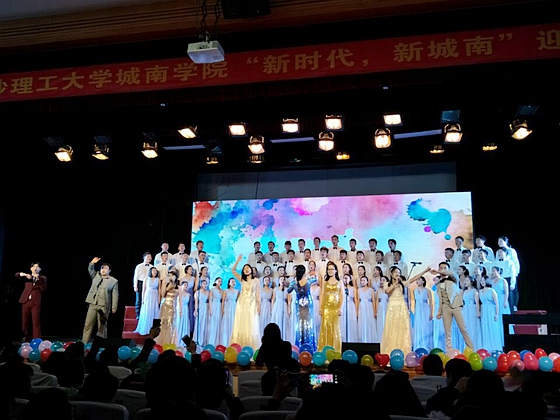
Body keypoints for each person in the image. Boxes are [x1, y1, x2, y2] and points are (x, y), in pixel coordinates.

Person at [380, 265, 430, 355]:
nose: (397, 274)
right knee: (392, 328)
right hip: (392, 307)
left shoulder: (402, 284)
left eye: (399, 273)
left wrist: (425, 270)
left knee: (402, 329)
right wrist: (395, 284)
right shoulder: (387, 283)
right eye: (396, 272)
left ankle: (403, 350)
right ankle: (390, 350)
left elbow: (414, 278)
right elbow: (387, 291)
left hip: (402, 307)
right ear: (391, 274)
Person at [432, 265, 474, 352]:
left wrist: (438, 271)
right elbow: (440, 298)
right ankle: (449, 350)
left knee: (463, 328)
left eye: (444, 268)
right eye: (441, 268)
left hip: (456, 306)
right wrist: (439, 311)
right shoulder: (439, 284)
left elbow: (451, 273)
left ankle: (471, 348)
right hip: (445, 307)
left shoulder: (453, 278)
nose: (442, 270)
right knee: (447, 332)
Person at [82, 257, 119, 344]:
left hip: (104, 306)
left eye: (105, 268)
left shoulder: (113, 281)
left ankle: (99, 345)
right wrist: (92, 263)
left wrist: (114, 307)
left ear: (109, 271)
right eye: (102, 268)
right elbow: (90, 269)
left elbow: (115, 294)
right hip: (93, 304)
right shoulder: (96, 276)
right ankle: (84, 344)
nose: (103, 270)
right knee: (88, 325)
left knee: (102, 327)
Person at [230, 254, 261, 350]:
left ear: (251, 269)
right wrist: (237, 261)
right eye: (244, 269)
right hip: (242, 303)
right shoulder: (242, 279)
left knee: (250, 323)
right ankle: (239, 345)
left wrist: (259, 305)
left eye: (247, 268)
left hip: (252, 303)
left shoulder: (256, 280)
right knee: (241, 322)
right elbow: (233, 271)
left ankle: (250, 346)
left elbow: (258, 294)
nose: (246, 269)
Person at [288, 264, 318, 352]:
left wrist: (293, 281)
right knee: (309, 325)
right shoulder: (308, 280)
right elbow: (316, 279)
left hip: (299, 305)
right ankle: (309, 345)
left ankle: (300, 345)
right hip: (308, 304)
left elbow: (288, 290)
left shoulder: (294, 283)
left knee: (300, 325)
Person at [15, 262, 47, 341]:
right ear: (31, 268)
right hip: (26, 301)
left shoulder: (42, 278)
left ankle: (36, 338)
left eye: (37, 267)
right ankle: (24, 336)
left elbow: (43, 289)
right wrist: (25, 275)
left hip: (35, 302)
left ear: (40, 269)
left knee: (36, 320)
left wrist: (38, 279)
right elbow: (17, 275)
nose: (35, 268)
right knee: (25, 320)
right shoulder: (27, 277)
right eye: (34, 267)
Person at [318, 261, 343, 353]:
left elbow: (342, 295)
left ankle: (335, 350)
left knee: (335, 328)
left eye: (332, 269)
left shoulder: (340, 282)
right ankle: (325, 349)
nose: (330, 271)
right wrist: (320, 308)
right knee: (325, 327)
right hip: (326, 308)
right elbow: (322, 294)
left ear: (336, 270)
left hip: (335, 308)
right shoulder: (325, 282)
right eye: (328, 269)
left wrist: (340, 308)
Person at [156, 268, 180, 346]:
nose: (171, 276)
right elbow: (163, 294)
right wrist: (168, 286)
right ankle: (163, 341)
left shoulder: (177, 283)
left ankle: (171, 341)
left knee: (172, 324)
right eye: (170, 274)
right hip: (166, 305)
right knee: (164, 323)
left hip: (174, 306)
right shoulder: (166, 281)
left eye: (173, 274)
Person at [134, 266, 161, 335]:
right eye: (153, 270)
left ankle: (153, 329)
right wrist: (142, 299)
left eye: (156, 271)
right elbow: (143, 290)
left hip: (155, 296)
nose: (155, 272)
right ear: (150, 272)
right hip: (148, 296)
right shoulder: (146, 279)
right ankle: (146, 328)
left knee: (154, 311)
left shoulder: (158, 280)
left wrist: (159, 299)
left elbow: (159, 290)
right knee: (147, 311)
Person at [132, 251, 153, 320]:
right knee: (139, 299)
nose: (149, 258)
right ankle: (138, 314)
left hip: (148, 283)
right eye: (148, 256)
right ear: (144, 257)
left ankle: (146, 314)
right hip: (140, 283)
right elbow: (136, 276)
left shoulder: (152, 267)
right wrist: (135, 286)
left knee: (147, 299)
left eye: (150, 257)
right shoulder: (139, 266)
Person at [220, 277, 239, 346]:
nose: (233, 283)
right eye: (232, 281)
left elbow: (238, 301)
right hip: (227, 307)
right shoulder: (225, 291)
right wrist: (222, 309)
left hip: (234, 307)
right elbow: (223, 301)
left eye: (234, 281)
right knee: (226, 323)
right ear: (229, 283)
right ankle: (225, 342)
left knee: (233, 323)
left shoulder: (237, 291)